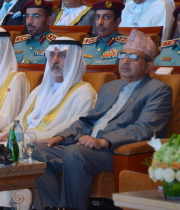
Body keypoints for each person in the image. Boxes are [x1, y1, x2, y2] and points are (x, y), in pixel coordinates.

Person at [33, 29, 172, 210]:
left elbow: (145, 128)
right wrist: (60, 137)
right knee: (38, 150)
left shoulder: (158, 90)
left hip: (116, 150)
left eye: (134, 57)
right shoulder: (110, 86)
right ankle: (53, 207)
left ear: (149, 66)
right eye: (123, 56)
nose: (126, 61)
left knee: (75, 153)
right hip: (87, 146)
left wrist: (104, 141)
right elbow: (87, 122)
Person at [0, 35, 97, 210]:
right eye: (52, 55)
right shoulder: (40, 89)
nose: (55, 61)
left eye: (62, 56)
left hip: (51, 144)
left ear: (74, 60)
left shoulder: (83, 92)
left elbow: (70, 128)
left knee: (24, 153)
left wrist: (25, 138)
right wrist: (9, 131)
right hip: (25, 139)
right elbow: (21, 118)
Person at [83, 0, 127, 64]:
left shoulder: (126, 46)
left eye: (106, 17)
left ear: (118, 21)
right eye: (97, 17)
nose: (100, 22)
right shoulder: (87, 44)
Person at [14, 0, 58, 64]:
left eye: (36, 16)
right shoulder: (19, 42)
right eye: (27, 16)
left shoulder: (55, 44)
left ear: (49, 20)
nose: (29, 21)